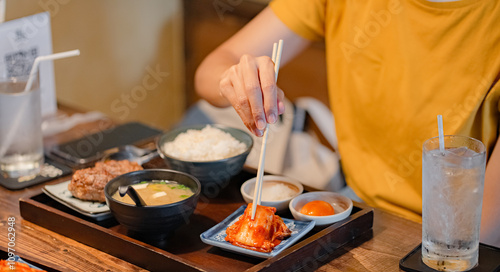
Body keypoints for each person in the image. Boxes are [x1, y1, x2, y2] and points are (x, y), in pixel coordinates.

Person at [194, 0, 500, 247]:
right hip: (356, 211)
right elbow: (210, 71)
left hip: (449, 238)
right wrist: (234, 79)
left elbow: (483, 240)